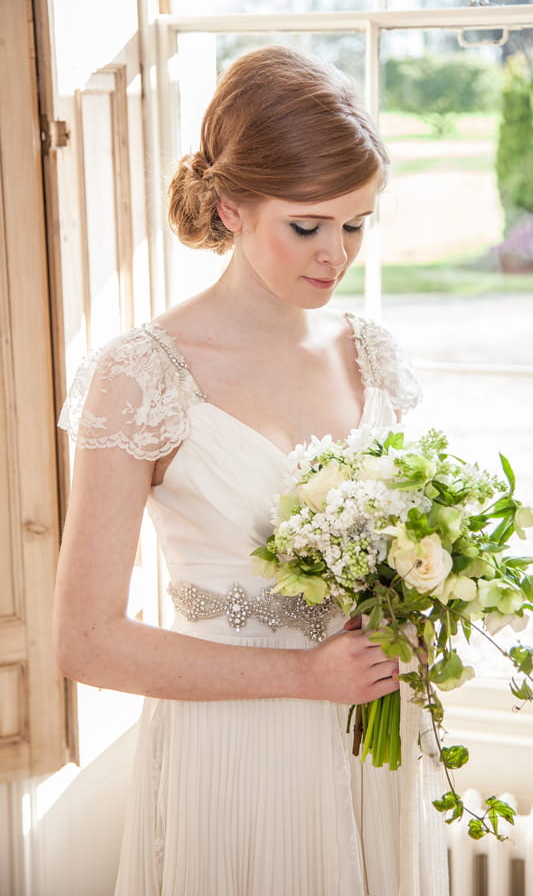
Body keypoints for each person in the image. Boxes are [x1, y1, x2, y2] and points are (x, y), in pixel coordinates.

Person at [55, 45, 449, 896]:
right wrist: (303, 677)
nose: (335, 255)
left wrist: (422, 612)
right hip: (236, 747)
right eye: (307, 225)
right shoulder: (142, 376)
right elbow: (83, 640)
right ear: (230, 209)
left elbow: (401, 553)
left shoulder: (370, 356)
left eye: (355, 223)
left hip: (371, 739)